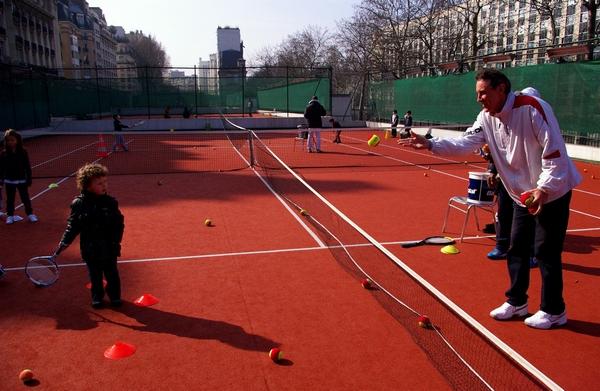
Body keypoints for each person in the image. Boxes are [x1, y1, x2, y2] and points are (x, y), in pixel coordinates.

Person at [401, 69, 581, 329]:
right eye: (477, 93)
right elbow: (465, 142)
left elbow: (555, 153)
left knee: (545, 252)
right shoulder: (486, 117)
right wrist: (431, 144)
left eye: (483, 92)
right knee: (516, 248)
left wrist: (543, 189)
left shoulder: (533, 108)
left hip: (551, 193)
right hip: (521, 194)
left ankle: (554, 311)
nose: (479, 99)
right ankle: (517, 302)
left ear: (502, 89)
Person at [55, 163, 125, 308]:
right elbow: (73, 225)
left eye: (105, 182)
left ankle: (115, 296)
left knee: (112, 273)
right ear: (87, 186)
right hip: (89, 247)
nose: (104, 185)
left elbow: (118, 224)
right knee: (95, 274)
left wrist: (116, 242)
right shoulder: (78, 204)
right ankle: (97, 296)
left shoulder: (111, 202)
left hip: (109, 245)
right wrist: (65, 241)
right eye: (99, 183)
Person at [0, 129, 37, 224]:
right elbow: (1, 168)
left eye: (12, 140)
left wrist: (29, 178)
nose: (10, 142)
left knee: (25, 198)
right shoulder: (4, 154)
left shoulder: (23, 152)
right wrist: (1, 180)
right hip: (9, 181)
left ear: (17, 140)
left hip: (21, 180)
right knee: (10, 199)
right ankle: (10, 216)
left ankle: (30, 214)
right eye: (8, 140)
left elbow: (27, 167)